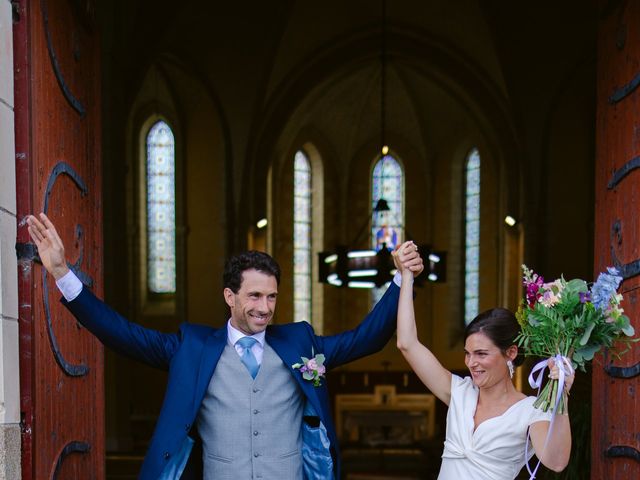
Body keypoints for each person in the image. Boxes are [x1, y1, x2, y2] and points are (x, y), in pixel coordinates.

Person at [27, 213, 423, 480]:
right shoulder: (193, 347)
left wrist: (401, 281)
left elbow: (365, 339)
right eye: (254, 296)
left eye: (271, 297)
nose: (264, 308)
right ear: (229, 296)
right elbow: (122, 334)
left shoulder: (300, 343)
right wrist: (63, 273)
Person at [393, 242, 573, 480]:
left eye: (481, 354)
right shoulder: (459, 392)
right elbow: (407, 343)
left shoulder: (530, 410)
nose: (471, 362)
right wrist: (406, 276)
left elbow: (556, 461)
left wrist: (562, 393)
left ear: (510, 353)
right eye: (468, 353)